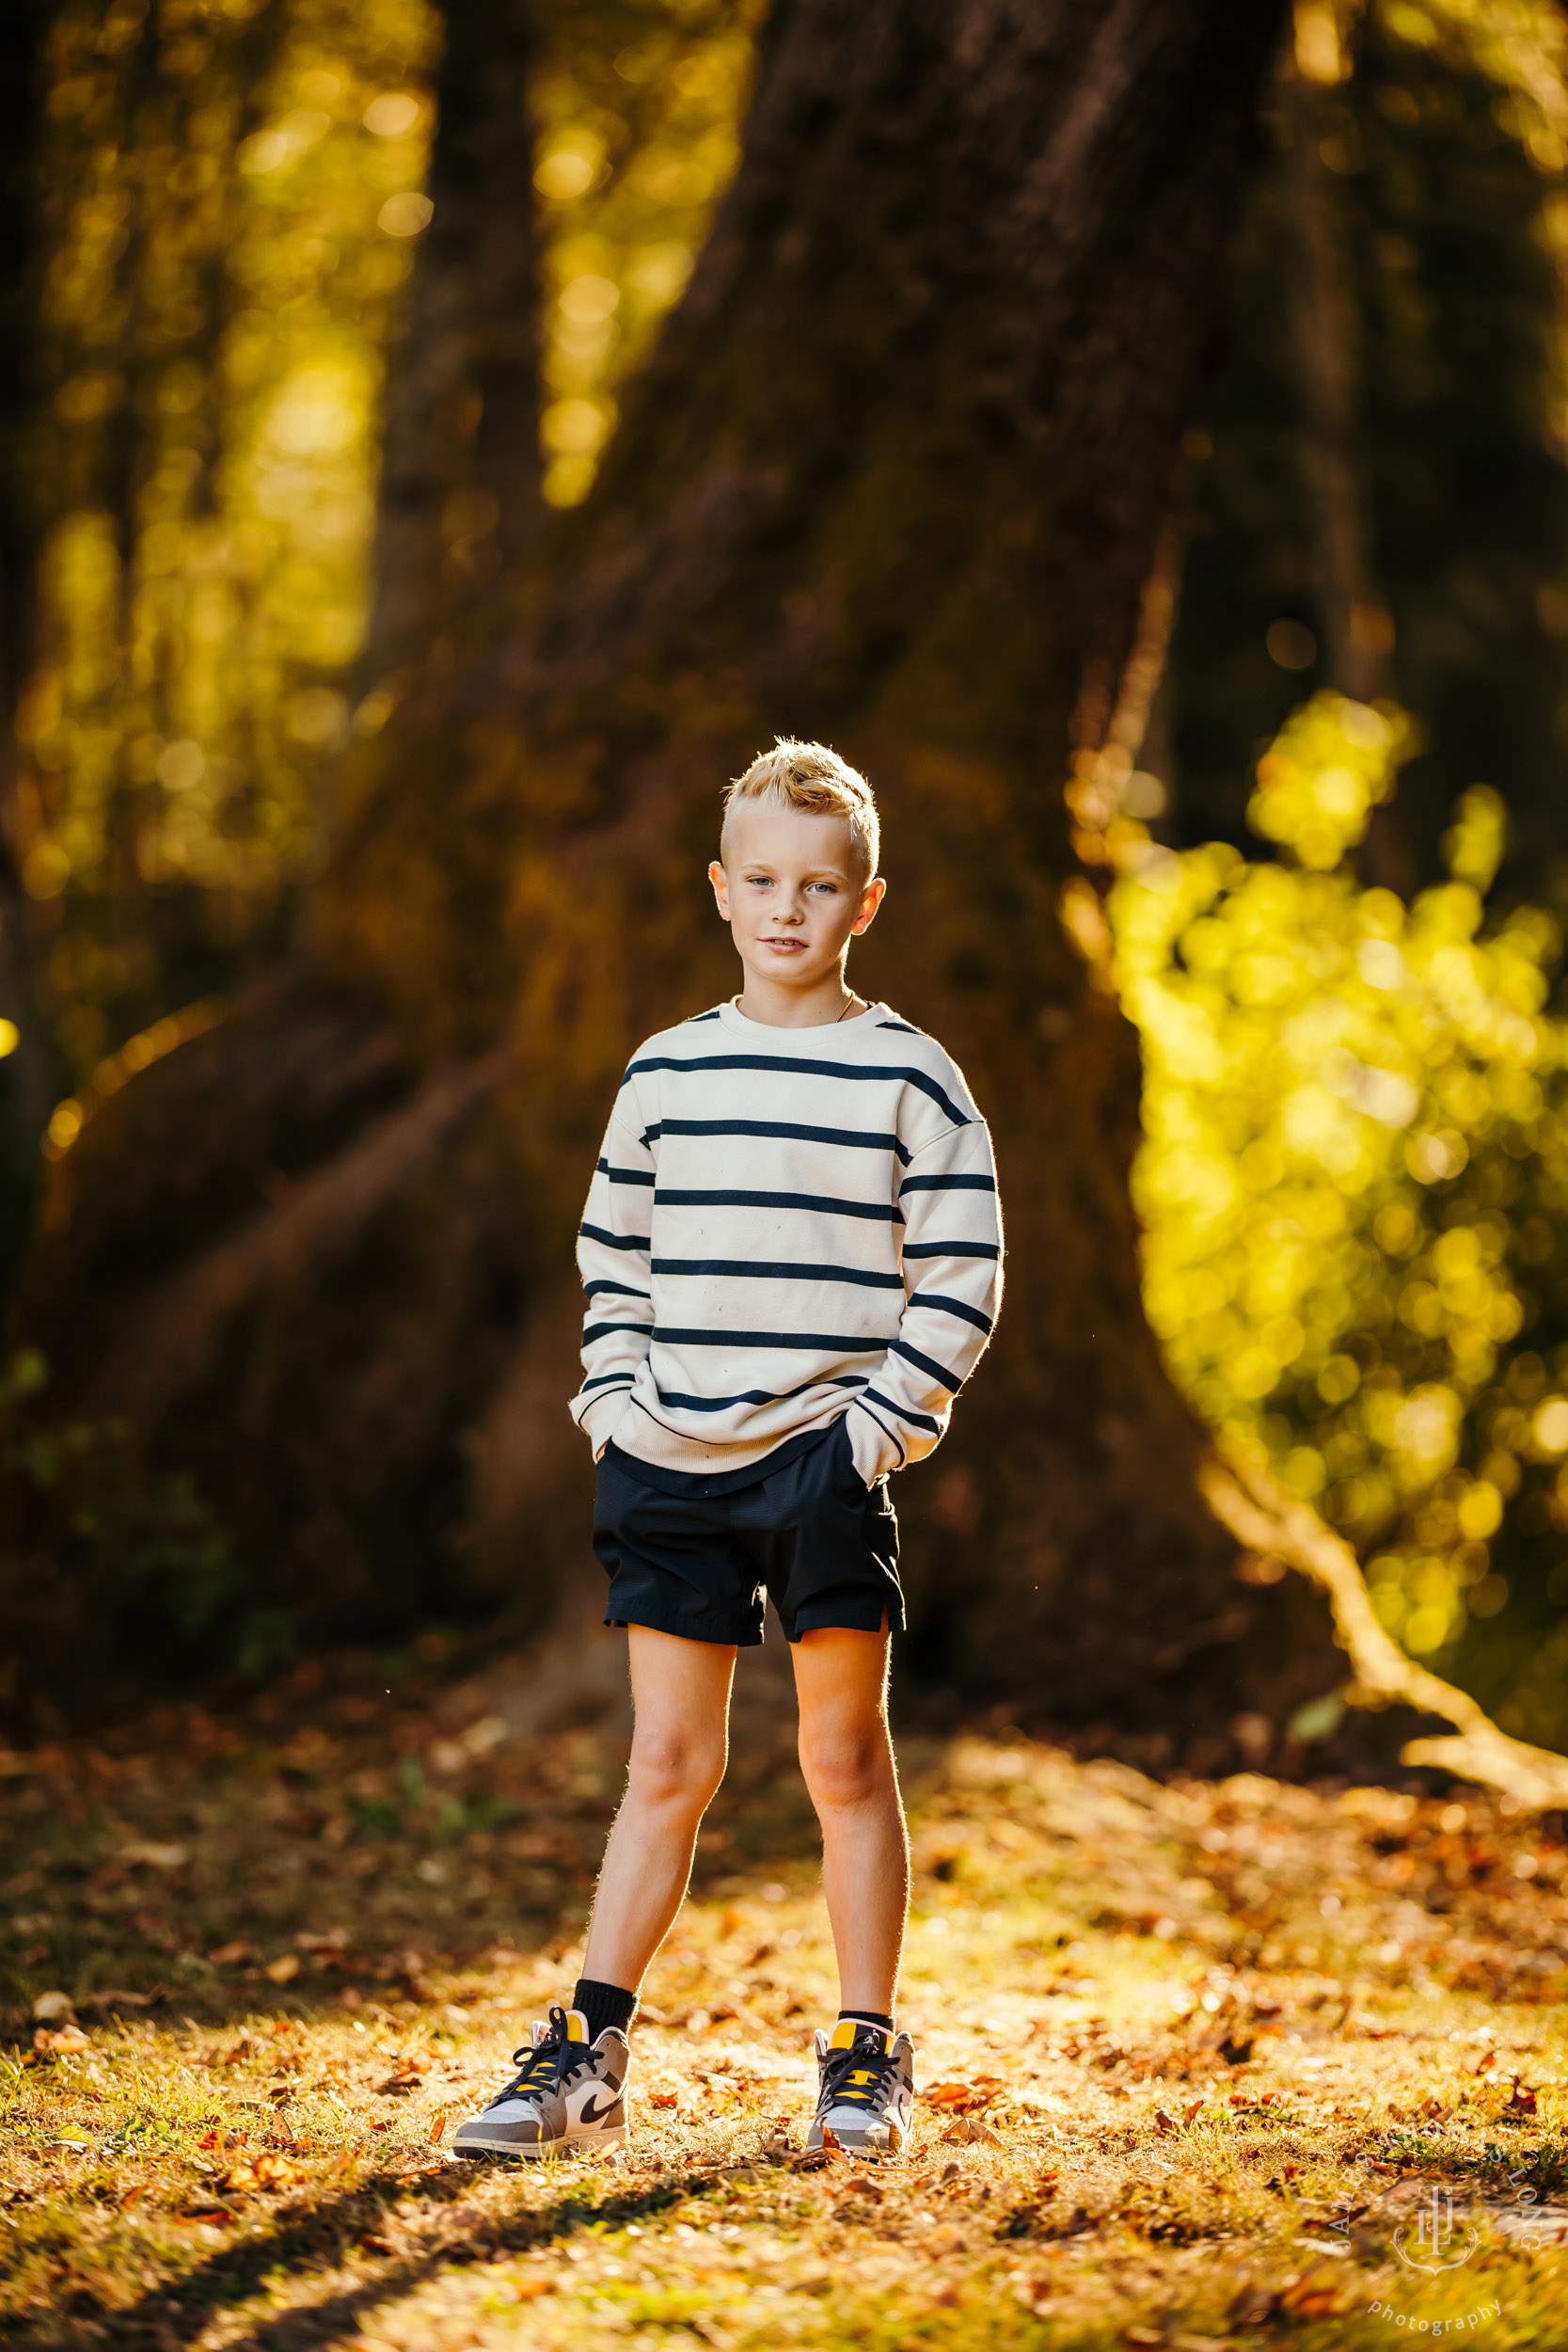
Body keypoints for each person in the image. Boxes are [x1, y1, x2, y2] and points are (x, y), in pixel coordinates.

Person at [455, 740, 1004, 2163]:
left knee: (843, 1758)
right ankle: (582, 2048)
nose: (787, 908)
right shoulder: (669, 1070)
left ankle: (865, 2050)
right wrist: (613, 1408)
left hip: (824, 1466)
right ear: (719, 889)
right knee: (666, 1765)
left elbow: (962, 1271)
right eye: (761, 880)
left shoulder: (912, 1079)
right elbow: (612, 1254)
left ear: (865, 904)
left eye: (819, 887)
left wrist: (875, 1434)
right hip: (672, 1463)